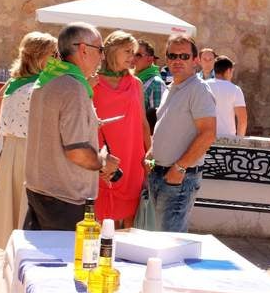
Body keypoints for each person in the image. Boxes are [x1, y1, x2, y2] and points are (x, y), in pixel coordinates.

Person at [24, 22, 120, 230]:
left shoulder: (48, 79)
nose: (102, 57)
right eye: (100, 50)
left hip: (40, 191)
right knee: (68, 262)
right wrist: (103, 163)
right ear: (84, 49)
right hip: (66, 198)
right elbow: (77, 152)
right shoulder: (72, 87)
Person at [0, 32, 57, 249]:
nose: (57, 59)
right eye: (53, 54)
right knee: (11, 205)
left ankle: (22, 253)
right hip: (15, 151)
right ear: (38, 56)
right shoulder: (17, 83)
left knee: (24, 206)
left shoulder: (44, 83)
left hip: (28, 151)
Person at [147, 34, 216, 233]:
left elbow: (208, 133)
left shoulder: (198, 89)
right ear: (167, 59)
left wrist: (179, 168)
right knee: (160, 241)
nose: (178, 60)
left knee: (169, 244)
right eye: (173, 55)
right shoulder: (171, 89)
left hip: (179, 178)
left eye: (184, 56)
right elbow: (168, 126)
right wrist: (152, 152)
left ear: (195, 60)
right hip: (160, 174)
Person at [93, 30, 151, 228]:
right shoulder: (92, 83)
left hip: (133, 159)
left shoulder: (136, 83)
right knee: (96, 222)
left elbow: (143, 123)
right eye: (127, 51)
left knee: (130, 223)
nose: (132, 57)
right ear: (111, 51)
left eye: (133, 52)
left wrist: (149, 158)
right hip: (102, 160)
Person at [207, 55, 247, 137]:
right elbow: (242, 119)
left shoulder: (203, 86)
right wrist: (238, 142)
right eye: (232, 71)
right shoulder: (235, 90)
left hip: (203, 139)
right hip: (227, 140)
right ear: (228, 70)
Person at [133, 39, 166, 133]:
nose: (133, 58)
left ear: (150, 59)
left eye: (138, 55)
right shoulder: (129, 80)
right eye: (132, 53)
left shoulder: (156, 84)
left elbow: (157, 124)